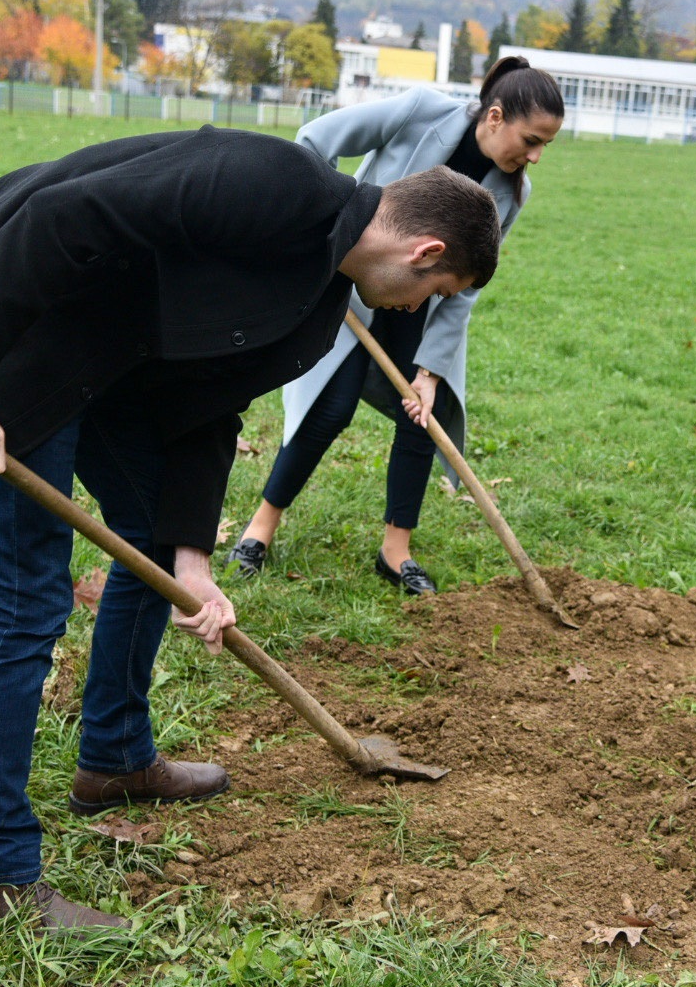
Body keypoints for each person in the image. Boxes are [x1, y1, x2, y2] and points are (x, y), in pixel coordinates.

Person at [0, 126, 499, 933]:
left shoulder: (319, 306)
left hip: (111, 364)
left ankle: (113, 761)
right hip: (27, 338)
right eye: (435, 290)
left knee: (152, 536)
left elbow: (207, 405)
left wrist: (193, 560)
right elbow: (62, 215)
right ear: (424, 250)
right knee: (24, 607)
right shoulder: (278, 183)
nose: (418, 309)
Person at [225, 57, 564, 594]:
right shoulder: (419, 110)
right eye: (532, 138)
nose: (537, 155)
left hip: (419, 307)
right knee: (328, 408)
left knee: (420, 418)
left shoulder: (512, 193)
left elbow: (467, 286)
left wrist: (431, 369)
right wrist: (331, 230)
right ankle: (260, 528)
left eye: (547, 144)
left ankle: (395, 550)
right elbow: (314, 140)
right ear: (495, 116)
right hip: (354, 290)